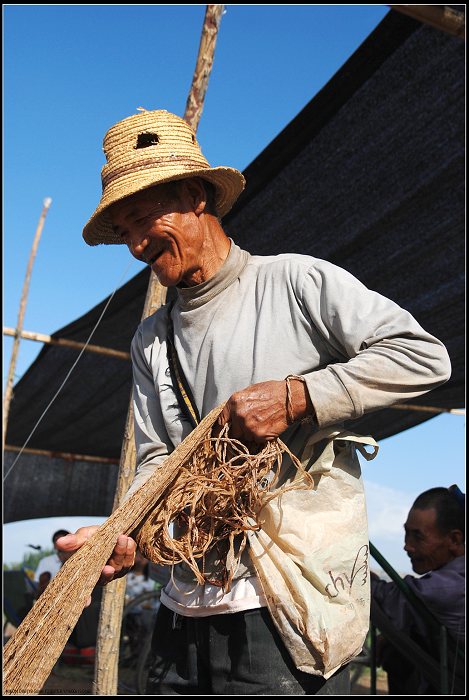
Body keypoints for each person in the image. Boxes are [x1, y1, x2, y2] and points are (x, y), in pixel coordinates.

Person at [57, 108, 452, 695]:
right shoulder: (150, 339)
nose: (137, 245)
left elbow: (424, 357)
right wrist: (128, 533)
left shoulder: (295, 282)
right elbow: (155, 459)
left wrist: (300, 396)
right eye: (123, 232)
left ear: (195, 195)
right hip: (182, 612)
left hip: (285, 614)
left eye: (142, 219)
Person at [371, 486, 465, 694]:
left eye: (418, 537)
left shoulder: (450, 588)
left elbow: (386, 598)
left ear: (454, 540)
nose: (407, 546)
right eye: (406, 534)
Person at [34, 529, 71, 594]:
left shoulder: (80, 559)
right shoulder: (45, 562)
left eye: (63, 540)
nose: (60, 544)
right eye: (57, 541)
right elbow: (37, 584)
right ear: (54, 545)